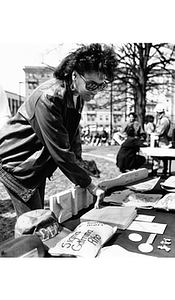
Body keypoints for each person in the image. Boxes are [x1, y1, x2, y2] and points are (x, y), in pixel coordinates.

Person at [0, 43, 118, 216]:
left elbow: (73, 138)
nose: (96, 91)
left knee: (38, 217)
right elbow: (60, 150)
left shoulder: (77, 95)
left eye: (102, 85)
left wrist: (81, 173)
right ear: (75, 76)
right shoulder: (50, 97)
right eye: (92, 85)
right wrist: (88, 183)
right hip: (17, 163)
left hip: (34, 163)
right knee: (33, 224)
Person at [152, 103, 171, 175]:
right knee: (159, 156)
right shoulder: (162, 119)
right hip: (162, 139)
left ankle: (164, 170)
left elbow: (160, 131)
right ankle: (158, 170)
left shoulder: (164, 120)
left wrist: (154, 133)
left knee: (163, 156)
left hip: (163, 140)